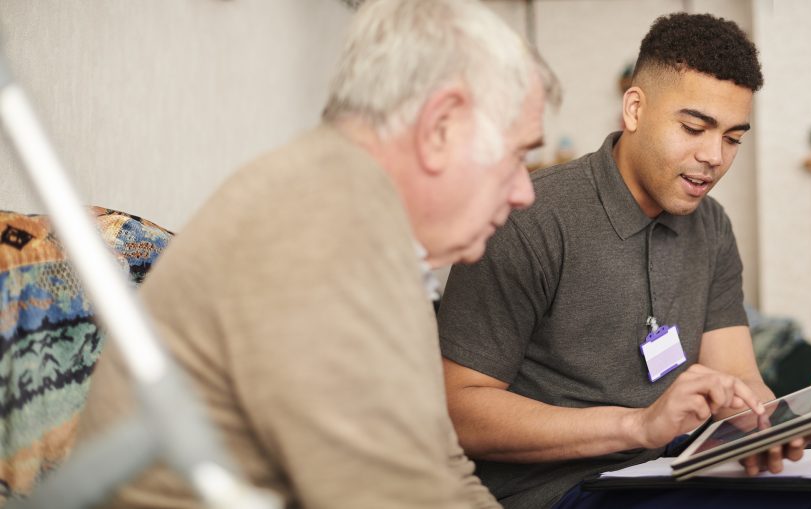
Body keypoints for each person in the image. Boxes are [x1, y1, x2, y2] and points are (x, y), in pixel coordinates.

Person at [78, 0, 560, 507]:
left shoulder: (368, 220)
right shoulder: (324, 232)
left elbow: (440, 465)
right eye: (518, 155)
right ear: (440, 127)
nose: (524, 192)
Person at [437, 12, 811, 509]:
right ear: (634, 109)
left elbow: (738, 377)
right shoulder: (529, 218)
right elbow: (459, 410)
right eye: (694, 127)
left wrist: (783, 420)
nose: (714, 156)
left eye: (733, 138)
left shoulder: (710, 226)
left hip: (672, 461)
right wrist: (637, 425)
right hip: (565, 488)